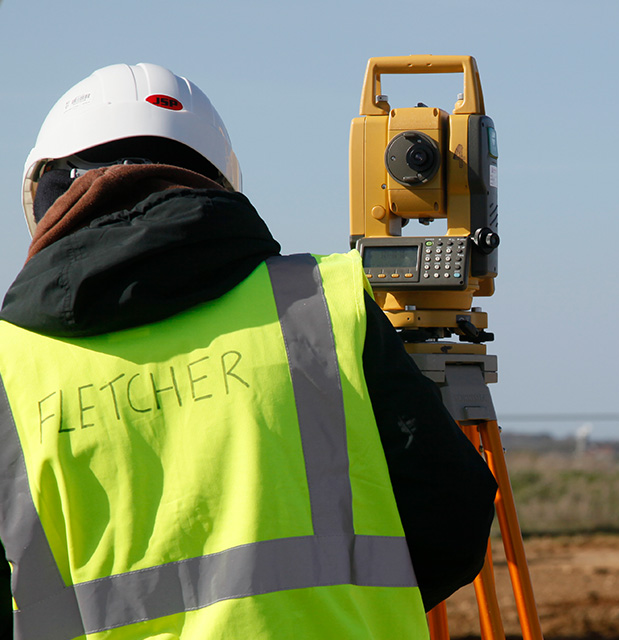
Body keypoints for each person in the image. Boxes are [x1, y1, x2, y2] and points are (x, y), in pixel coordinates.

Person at [0, 63, 497, 639]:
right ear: (218, 182)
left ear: (42, 195)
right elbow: (452, 522)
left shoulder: (12, 368)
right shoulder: (320, 308)